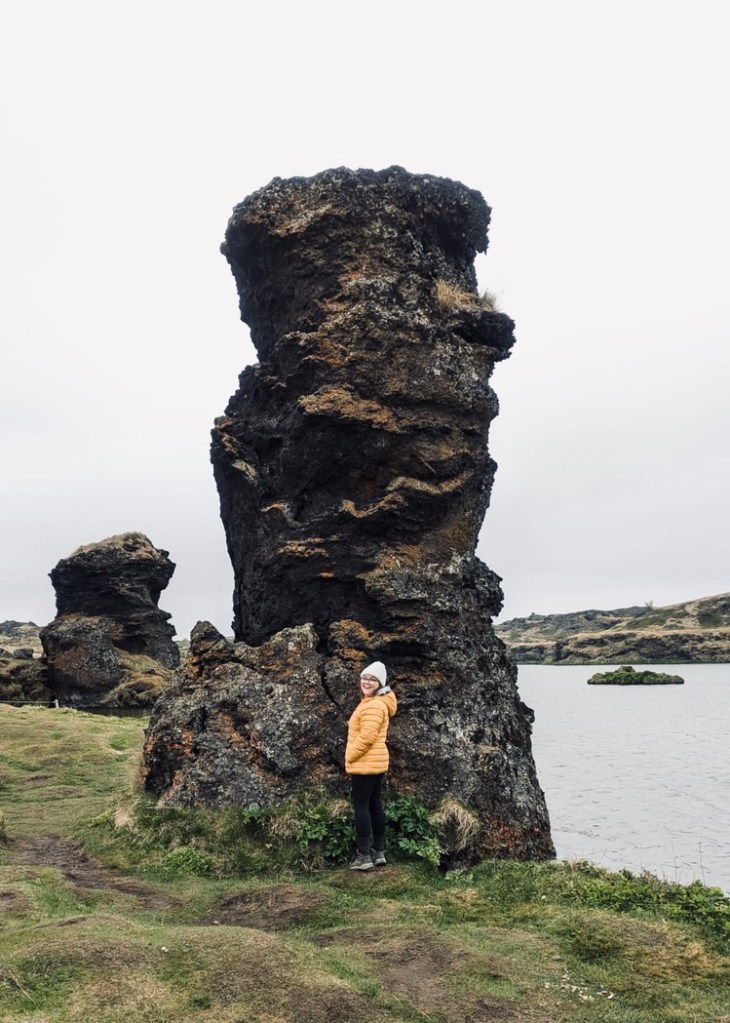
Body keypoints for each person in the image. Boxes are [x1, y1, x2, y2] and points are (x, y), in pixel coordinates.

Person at [345, 660, 397, 871]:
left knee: (362, 807)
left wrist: (350, 755)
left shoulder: (374, 705)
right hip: (376, 761)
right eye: (364, 677)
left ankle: (364, 856)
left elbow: (367, 737)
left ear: (380, 683)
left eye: (372, 679)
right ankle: (379, 852)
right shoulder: (375, 701)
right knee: (374, 804)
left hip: (365, 762)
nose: (367, 682)